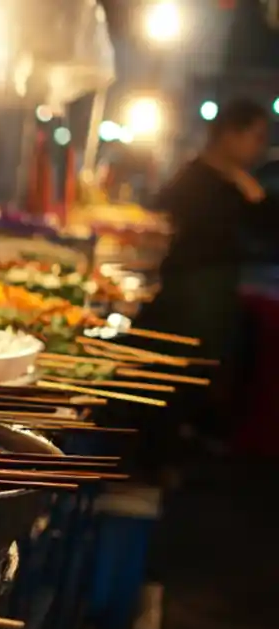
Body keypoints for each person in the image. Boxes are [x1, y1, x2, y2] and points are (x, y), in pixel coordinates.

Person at [132, 98, 275, 470]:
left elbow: (267, 224)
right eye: (256, 136)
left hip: (211, 292)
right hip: (190, 293)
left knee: (195, 374)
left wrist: (247, 187)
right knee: (173, 374)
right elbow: (165, 217)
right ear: (230, 134)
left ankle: (163, 458)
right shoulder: (198, 177)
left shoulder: (238, 182)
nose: (260, 146)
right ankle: (148, 464)